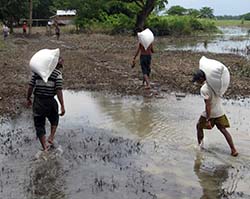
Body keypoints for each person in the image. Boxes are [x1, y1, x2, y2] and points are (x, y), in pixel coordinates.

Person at [192, 69, 238, 157]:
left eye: (197, 80)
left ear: (202, 78)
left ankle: (200, 146)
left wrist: (208, 119)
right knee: (223, 130)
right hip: (220, 111)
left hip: (211, 113)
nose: (197, 82)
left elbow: (208, 105)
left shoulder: (204, 89)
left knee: (199, 126)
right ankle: (233, 150)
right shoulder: (216, 85)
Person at [27, 57, 65, 151]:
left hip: (38, 101)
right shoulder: (57, 74)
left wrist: (28, 97)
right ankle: (51, 137)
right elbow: (58, 89)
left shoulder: (38, 72)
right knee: (54, 118)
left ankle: (44, 146)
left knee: (39, 123)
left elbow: (31, 86)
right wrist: (62, 105)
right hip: (50, 101)